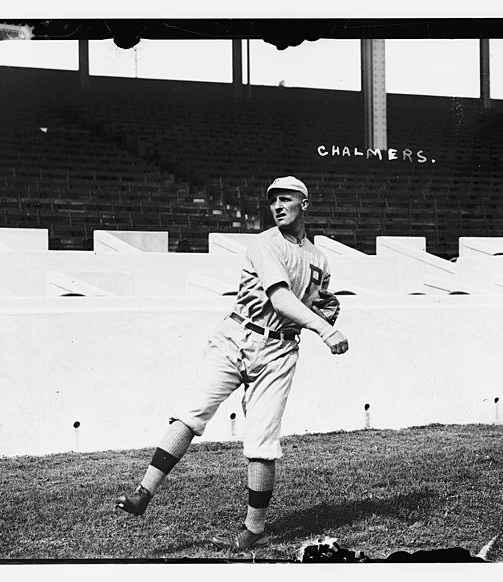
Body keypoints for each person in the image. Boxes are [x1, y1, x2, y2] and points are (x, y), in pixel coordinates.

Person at [116, 176, 349, 551]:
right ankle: (143, 492)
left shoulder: (319, 258)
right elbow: (280, 297)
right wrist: (324, 328)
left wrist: (325, 308)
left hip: (279, 351)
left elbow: (312, 301)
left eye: (285, 199)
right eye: (272, 200)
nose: (276, 206)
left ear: (304, 204)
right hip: (236, 337)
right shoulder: (264, 243)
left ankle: (254, 529)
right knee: (192, 414)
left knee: (262, 442)